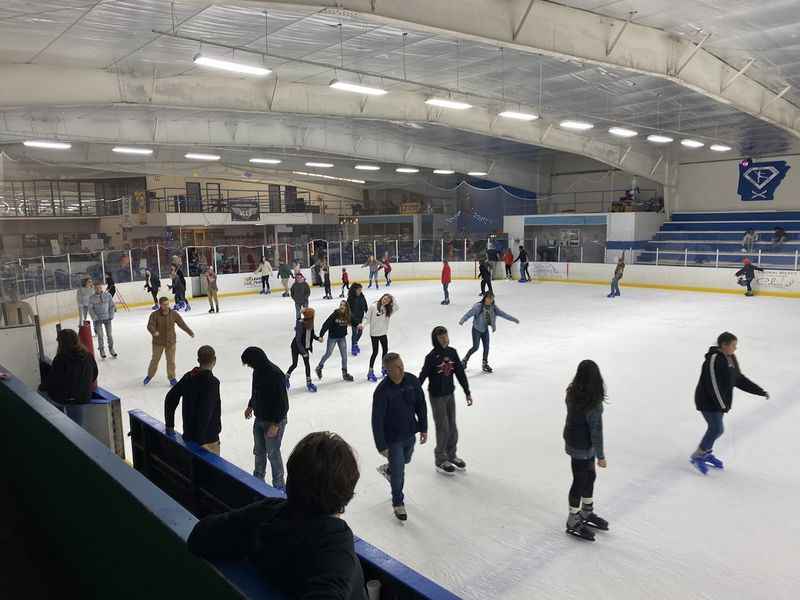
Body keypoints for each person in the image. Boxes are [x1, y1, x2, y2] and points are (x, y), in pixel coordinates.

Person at [187, 432, 366, 599]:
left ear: (290, 481)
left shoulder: (267, 514)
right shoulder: (337, 548)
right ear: (346, 494)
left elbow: (200, 535)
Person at [690, 332, 769, 475]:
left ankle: (706, 452)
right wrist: (721, 404)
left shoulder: (730, 357)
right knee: (716, 429)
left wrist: (759, 391)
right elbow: (712, 384)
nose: (735, 348)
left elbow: (738, 379)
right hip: (707, 401)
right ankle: (698, 455)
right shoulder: (713, 359)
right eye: (733, 345)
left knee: (715, 429)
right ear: (723, 345)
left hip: (720, 403)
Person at [372, 353, 428, 521]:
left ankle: (389, 469)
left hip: (410, 433)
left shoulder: (412, 381)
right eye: (396, 367)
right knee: (399, 472)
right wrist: (381, 446)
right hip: (393, 438)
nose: (401, 368)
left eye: (401, 364)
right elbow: (377, 420)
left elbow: (421, 405)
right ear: (388, 371)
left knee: (405, 460)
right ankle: (398, 502)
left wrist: (423, 428)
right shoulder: (382, 391)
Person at [563, 360, 608, 542]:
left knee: (589, 476)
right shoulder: (592, 402)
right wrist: (601, 456)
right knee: (581, 479)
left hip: (573, 440)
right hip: (582, 445)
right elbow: (596, 431)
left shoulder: (572, 392)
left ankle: (586, 512)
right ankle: (573, 520)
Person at [418, 326, 472, 475]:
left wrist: (467, 391)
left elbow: (460, 373)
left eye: (446, 336)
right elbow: (422, 376)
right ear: (435, 339)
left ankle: (451, 455)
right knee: (443, 427)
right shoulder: (431, 357)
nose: (444, 339)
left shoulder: (452, 353)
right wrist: (413, 392)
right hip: (436, 396)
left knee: (452, 427)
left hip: (450, 394)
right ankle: (440, 459)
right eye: (441, 337)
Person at [242, 347, 289, 488]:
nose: (249, 366)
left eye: (249, 363)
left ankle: (279, 488)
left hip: (274, 421)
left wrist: (275, 424)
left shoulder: (276, 374)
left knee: (273, 454)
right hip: (260, 419)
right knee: (259, 451)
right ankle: (258, 483)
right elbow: (255, 391)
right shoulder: (257, 372)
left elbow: (284, 404)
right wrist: (250, 405)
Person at [165, 345, 222, 455]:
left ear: (198, 360)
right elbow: (206, 412)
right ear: (214, 360)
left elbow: (170, 398)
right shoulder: (212, 383)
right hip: (207, 442)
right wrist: (200, 441)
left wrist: (169, 425)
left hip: (188, 437)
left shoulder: (188, 377)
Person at [459, 292, 519, 373]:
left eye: (492, 298)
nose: (490, 300)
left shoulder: (493, 308)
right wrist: (462, 320)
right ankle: (464, 360)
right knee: (475, 347)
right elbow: (469, 314)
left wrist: (513, 319)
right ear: (485, 298)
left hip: (485, 330)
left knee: (486, 347)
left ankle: (484, 364)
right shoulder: (478, 307)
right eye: (489, 298)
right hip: (476, 329)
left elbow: (503, 314)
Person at [144, 296, 195, 386]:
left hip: (171, 342)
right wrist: (154, 332)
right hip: (158, 342)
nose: (167, 306)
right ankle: (149, 375)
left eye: (168, 304)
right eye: (164, 304)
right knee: (155, 360)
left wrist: (189, 331)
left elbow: (181, 324)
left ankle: (172, 377)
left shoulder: (173, 314)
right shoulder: (154, 315)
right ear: (160, 305)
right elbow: (150, 325)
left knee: (171, 361)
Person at [42, 328, 98, 404]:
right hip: (85, 397)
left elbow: (54, 380)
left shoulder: (61, 359)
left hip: (67, 399)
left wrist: (42, 386)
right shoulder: (88, 355)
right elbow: (94, 374)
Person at [316, 301, 354, 382]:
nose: (341, 306)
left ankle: (345, 374)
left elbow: (354, 321)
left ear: (346, 307)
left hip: (342, 338)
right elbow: (326, 324)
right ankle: (319, 367)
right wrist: (321, 335)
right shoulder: (335, 314)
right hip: (332, 338)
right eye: (340, 305)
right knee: (328, 353)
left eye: (343, 305)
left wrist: (358, 324)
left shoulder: (348, 315)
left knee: (344, 356)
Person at [286, 307, 321, 393]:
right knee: (294, 364)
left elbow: (311, 334)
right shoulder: (300, 324)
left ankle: (309, 383)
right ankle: (286, 377)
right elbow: (298, 340)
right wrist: (303, 352)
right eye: (312, 316)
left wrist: (317, 338)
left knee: (307, 365)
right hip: (296, 347)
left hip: (305, 347)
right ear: (309, 316)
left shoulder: (310, 323)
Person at [366, 294, 399, 382]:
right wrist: (362, 325)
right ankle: (370, 371)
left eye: (388, 300)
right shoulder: (373, 306)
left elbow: (397, 306)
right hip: (374, 334)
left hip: (383, 333)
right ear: (382, 298)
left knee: (385, 351)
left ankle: (384, 367)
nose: (385, 301)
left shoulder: (388, 309)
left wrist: (392, 297)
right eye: (385, 299)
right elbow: (367, 318)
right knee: (375, 352)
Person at [88, 281, 116, 359]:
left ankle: (111, 349)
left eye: (99, 287)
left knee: (109, 335)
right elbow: (90, 309)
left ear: (102, 287)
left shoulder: (108, 295)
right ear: (94, 289)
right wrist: (94, 317)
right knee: (100, 335)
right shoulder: (92, 298)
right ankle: (101, 350)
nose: (98, 289)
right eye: (96, 288)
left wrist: (111, 315)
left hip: (107, 318)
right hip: (98, 320)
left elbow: (112, 306)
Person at [347, 283, 368, 357]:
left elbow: (365, 305)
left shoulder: (362, 296)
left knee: (360, 332)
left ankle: (355, 343)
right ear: (354, 290)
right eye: (359, 290)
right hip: (353, 318)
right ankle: (353, 347)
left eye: (361, 289)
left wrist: (367, 312)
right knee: (354, 332)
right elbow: (348, 310)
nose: (360, 291)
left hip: (360, 317)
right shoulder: (350, 298)